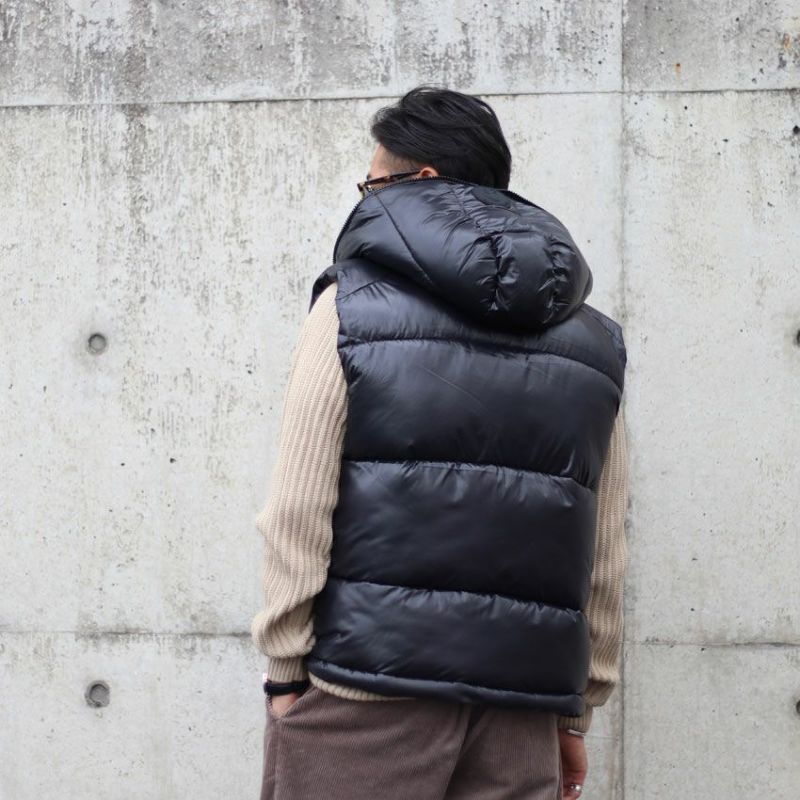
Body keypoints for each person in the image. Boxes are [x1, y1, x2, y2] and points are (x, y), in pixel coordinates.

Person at [251, 84, 629, 800]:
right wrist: (575, 711)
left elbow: (298, 506)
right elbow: (601, 551)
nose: (366, 197)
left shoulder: (350, 309)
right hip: (522, 707)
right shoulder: (593, 341)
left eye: (372, 182)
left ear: (418, 180)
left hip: (366, 695)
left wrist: (285, 671)